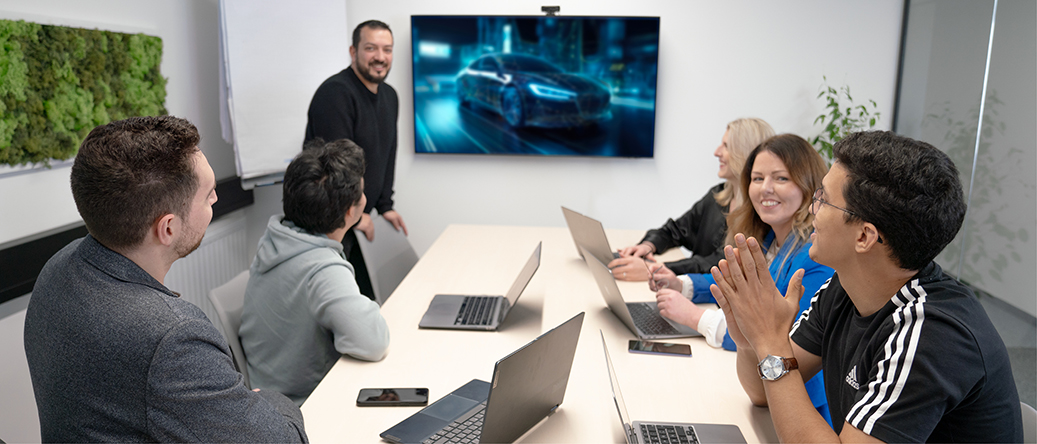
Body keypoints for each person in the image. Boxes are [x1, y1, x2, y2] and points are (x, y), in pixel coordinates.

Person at [709, 131, 1023, 442]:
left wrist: (771, 342)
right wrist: (753, 343)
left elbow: (779, 370)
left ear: (864, 236)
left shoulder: (931, 333)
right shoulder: (845, 288)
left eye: (823, 200)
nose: (811, 210)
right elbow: (764, 392)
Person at [23, 116, 308, 442]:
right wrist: (272, 400)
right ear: (168, 228)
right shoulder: (171, 337)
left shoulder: (58, 269)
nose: (215, 199)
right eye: (208, 195)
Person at [650, 134, 835, 425]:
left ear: (809, 185)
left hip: (805, 414)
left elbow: (781, 347)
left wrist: (698, 319)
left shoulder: (816, 260)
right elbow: (739, 292)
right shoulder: (771, 240)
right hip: (764, 399)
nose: (765, 189)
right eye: (757, 178)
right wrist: (683, 284)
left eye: (781, 178)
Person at [241, 138, 390, 406]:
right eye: (363, 193)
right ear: (350, 212)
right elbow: (373, 342)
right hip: (308, 408)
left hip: (269, 395)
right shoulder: (323, 270)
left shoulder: (276, 238)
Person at [304, 19, 406, 300]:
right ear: (353, 51)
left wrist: (385, 205)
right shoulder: (335, 93)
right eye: (371, 48)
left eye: (387, 49)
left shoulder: (390, 96)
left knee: (369, 301)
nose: (380, 57)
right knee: (343, 307)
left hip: (355, 220)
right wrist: (355, 213)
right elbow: (333, 168)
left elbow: (387, 153)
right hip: (329, 225)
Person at [610, 118, 774, 281]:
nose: (717, 152)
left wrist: (656, 269)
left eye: (726, 146)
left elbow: (717, 264)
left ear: (745, 153)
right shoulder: (718, 195)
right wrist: (648, 246)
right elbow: (676, 230)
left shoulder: (762, 213)